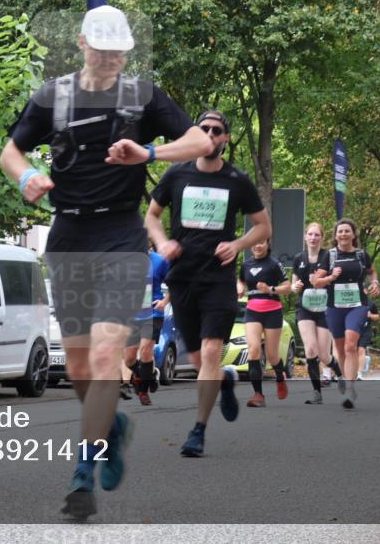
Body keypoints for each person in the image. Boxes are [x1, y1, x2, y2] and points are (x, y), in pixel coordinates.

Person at [0, 6, 212, 519]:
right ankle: (111, 426)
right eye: (103, 48)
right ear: (82, 43)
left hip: (121, 234)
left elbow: (201, 140)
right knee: (75, 368)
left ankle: (82, 475)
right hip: (69, 233)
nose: (112, 57)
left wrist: (148, 153)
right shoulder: (54, 96)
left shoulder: (143, 96)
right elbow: (11, 151)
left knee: (102, 359)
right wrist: (26, 178)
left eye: (120, 50)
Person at [146, 109, 270, 456]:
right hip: (183, 277)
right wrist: (163, 243)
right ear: (195, 135)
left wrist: (238, 244)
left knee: (213, 351)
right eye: (205, 129)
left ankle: (198, 430)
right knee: (204, 363)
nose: (211, 135)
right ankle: (225, 381)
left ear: (225, 138)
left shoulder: (236, 179)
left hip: (218, 278)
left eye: (217, 131)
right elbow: (152, 217)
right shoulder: (176, 174)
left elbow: (263, 227)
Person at [313, 219, 379, 409]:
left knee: (351, 345)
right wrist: (331, 277)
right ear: (335, 236)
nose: (343, 234)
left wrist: (374, 283)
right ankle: (345, 376)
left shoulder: (361, 254)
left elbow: (371, 272)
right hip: (335, 306)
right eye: (340, 231)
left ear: (353, 235)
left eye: (346, 231)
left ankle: (350, 388)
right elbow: (317, 282)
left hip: (357, 304)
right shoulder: (330, 256)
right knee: (340, 349)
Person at [291, 222, 343, 404]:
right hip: (304, 308)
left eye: (316, 235)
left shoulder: (329, 256)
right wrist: (294, 286)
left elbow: (336, 280)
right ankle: (316, 392)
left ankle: (338, 371)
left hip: (325, 308)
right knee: (310, 349)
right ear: (305, 237)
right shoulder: (299, 258)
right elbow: (294, 283)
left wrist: (327, 279)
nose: (313, 238)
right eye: (310, 234)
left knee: (323, 355)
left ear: (321, 238)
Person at [236, 238, 291, 406]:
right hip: (253, 311)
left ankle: (280, 377)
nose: (257, 246)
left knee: (272, 355)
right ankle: (258, 395)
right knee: (253, 350)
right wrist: (239, 287)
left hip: (272, 311)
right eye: (255, 243)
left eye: (261, 243)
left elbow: (288, 287)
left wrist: (271, 289)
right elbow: (241, 280)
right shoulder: (246, 265)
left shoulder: (274, 264)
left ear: (267, 244)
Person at [123, 249, 170, 406]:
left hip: (153, 313)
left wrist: (165, 301)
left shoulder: (160, 261)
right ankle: (146, 376)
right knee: (129, 358)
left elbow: (177, 282)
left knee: (145, 350)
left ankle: (143, 391)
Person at [357, 300, 379, 380]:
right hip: (353, 330)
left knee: (361, 349)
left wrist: (370, 315)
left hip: (366, 330)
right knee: (352, 351)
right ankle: (365, 360)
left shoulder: (371, 303)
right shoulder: (351, 302)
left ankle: (359, 373)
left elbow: (377, 317)